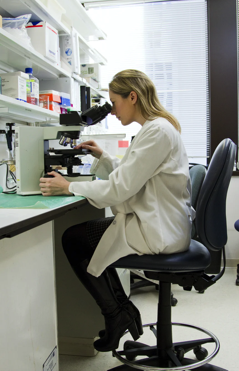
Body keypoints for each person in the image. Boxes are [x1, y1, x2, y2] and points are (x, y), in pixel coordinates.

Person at [39, 69, 194, 352]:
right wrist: (104, 157)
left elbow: (120, 189)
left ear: (132, 97)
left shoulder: (156, 132)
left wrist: (68, 186)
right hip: (159, 222)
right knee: (89, 240)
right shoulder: (155, 129)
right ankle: (120, 311)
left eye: (114, 102)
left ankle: (116, 313)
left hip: (158, 229)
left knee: (74, 240)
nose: (111, 111)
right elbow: (133, 175)